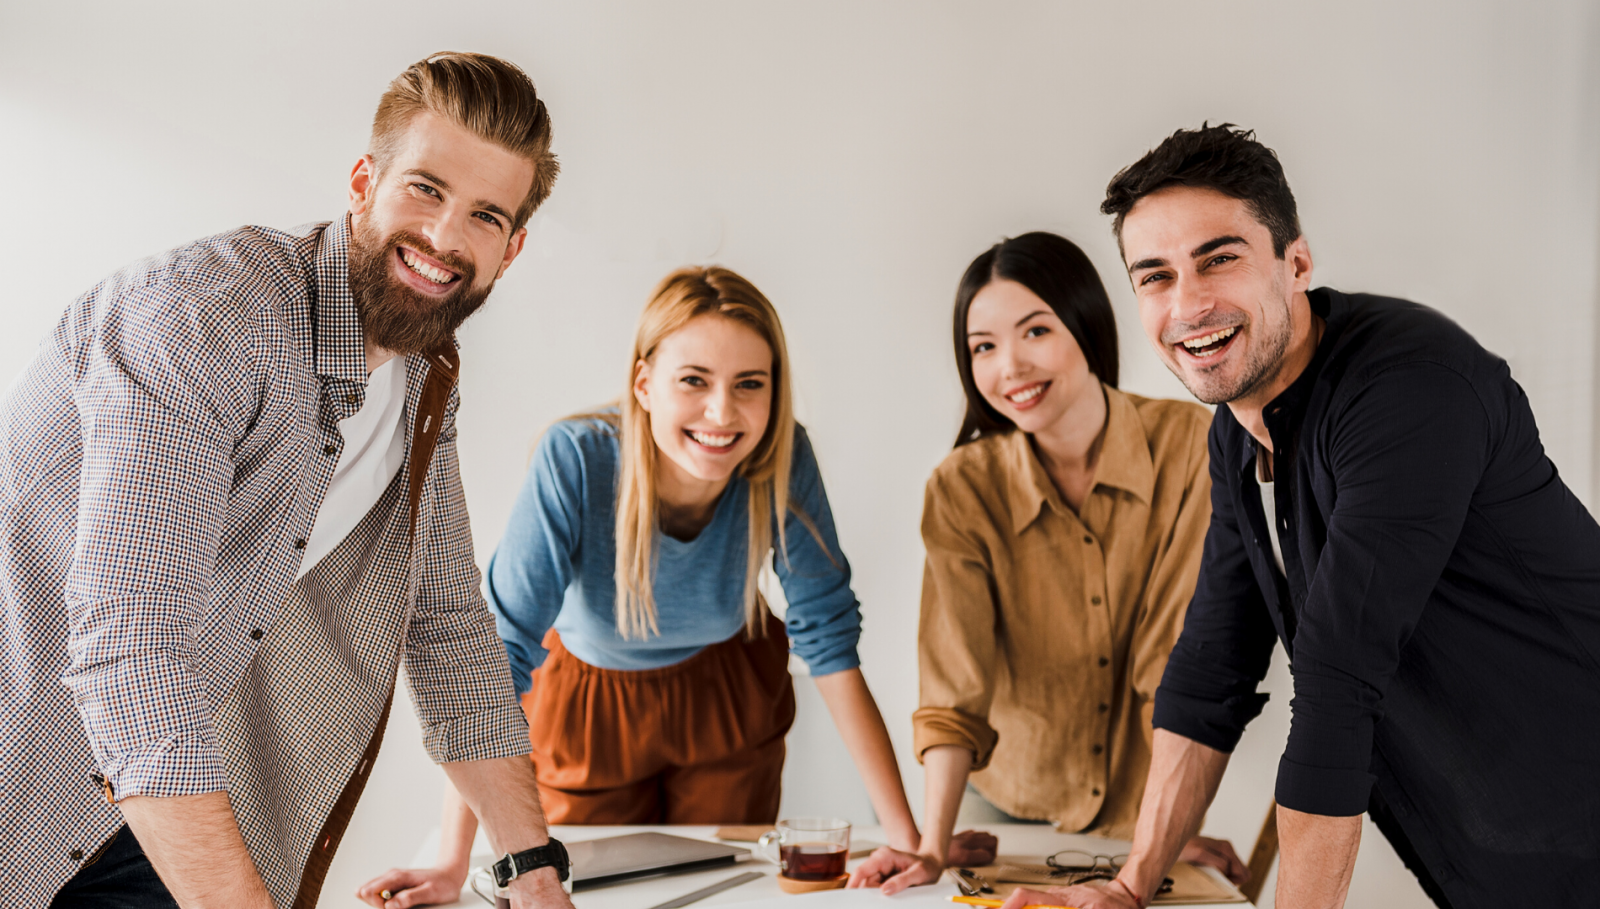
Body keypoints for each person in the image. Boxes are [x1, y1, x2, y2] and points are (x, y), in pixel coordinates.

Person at [0, 52, 578, 909]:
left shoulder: (425, 375)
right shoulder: (201, 321)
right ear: (363, 182)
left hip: (157, 810)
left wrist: (532, 871)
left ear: (512, 246)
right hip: (28, 783)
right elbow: (132, 646)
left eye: (485, 215)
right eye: (425, 189)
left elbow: (449, 626)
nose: (445, 236)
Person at [1004, 125, 1600, 909]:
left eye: (1219, 259)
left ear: (1297, 263)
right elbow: (1213, 666)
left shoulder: (1408, 390)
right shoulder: (1237, 432)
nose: (1188, 305)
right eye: (1156, 276)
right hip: (1503, 857)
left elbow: (1337, 682)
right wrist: (1127, 886)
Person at [359, 265, 995, 907]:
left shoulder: (784, 454)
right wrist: (452, 861)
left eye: (750, 384)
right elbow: (496, 659)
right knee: (595, 891)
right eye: (694, 380)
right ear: (644, 383)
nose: (722, 412)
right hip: (588, 709)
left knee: (732, 892)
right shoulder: (576, 457)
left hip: (727, 695)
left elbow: (829, 640)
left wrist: (910, 841)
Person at [849, 232, 1246, 895]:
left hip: (1136, 808)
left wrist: (1161, 841)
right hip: (997, 805)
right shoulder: (962, 487)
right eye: (983, 346)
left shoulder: (1189, 448)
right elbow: (953, 686)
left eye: (1035, 330)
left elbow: (1175, 669)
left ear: (1085, 323)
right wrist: (931, 846)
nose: (1010, 367)